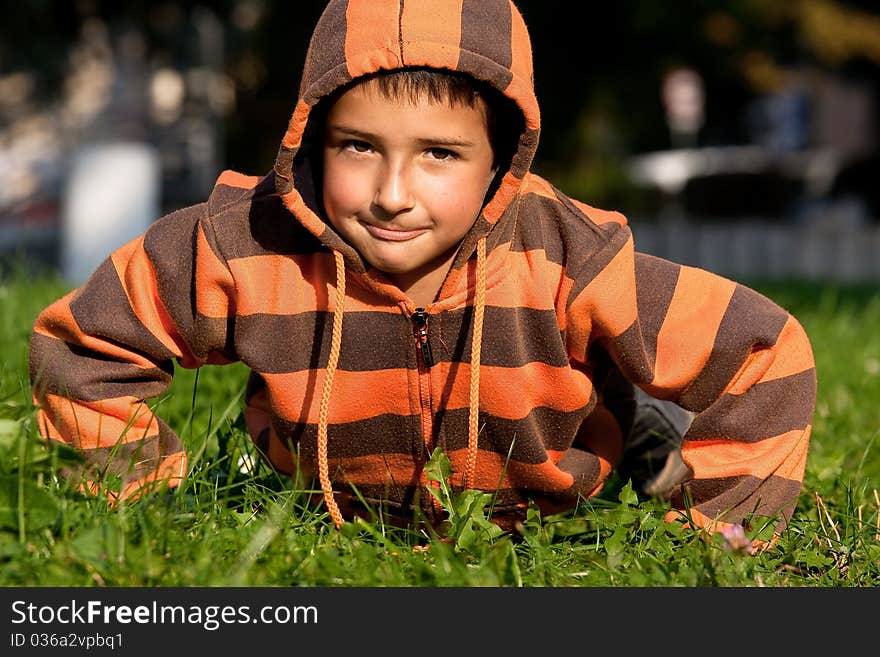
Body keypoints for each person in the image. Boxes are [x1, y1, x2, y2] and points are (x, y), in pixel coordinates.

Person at [29, 0, 816, 549]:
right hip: (316, 502)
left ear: (503, 158)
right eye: (358, 146)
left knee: (635, 425)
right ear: (313, 137)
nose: (392, 195)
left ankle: (640, 431)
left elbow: (765, 351)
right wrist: (134, 503)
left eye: (439, 153)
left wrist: (719, 533)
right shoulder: (247, 242)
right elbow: (85, 342)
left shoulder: (571, 257)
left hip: (552, 509)